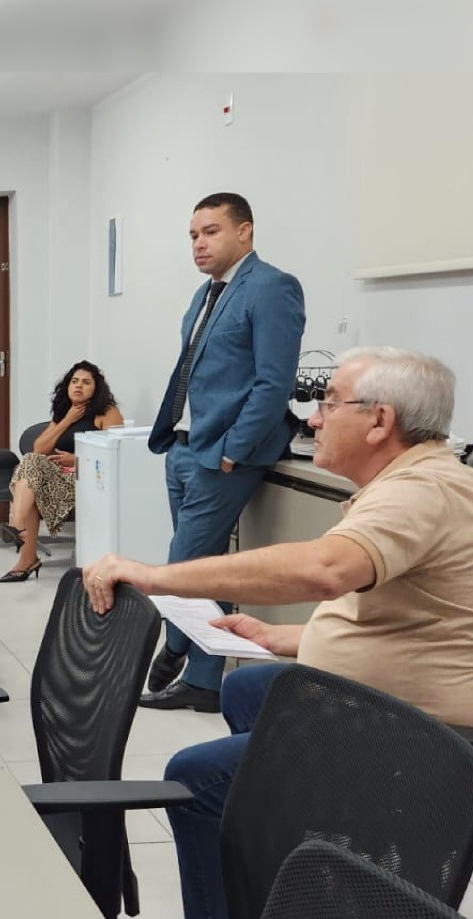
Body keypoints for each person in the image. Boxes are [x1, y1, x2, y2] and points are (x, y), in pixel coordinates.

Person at [82, 347, 473, 919]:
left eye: (328, 404)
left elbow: (325, 570)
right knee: (248, 691)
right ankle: (304, 866)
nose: (312, 418)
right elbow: (417, 620)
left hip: (435, 742)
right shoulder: (422, 479)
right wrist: (290, 638)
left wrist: (156, 576)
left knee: (199, 779)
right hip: (407, 707)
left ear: (380, 421)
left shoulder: (420, 492)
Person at [142, 192, 305, 713]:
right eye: (193, 235)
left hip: (223, 455)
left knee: (184, 566)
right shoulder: (205, 294)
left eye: (211, 231)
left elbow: (273, 383)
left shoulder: (272, 287)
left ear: (244, 231)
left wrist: (235, 448)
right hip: (184, 447)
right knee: (208, 567)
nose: (199, 243)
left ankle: (175, 647)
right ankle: (206, 680)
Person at [1, 360, 123, 582]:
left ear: (96, 388)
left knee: (30, 480)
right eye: (74, 381)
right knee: (31, 463)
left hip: (87, 481)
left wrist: (76, 460)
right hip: (57, 478)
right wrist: (67, 420)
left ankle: (20, 538)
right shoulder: (65, 412)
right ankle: (23, 542)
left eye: (86, 382)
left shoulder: (107, 413)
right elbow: (39, 448)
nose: (79, 386)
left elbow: (115, 456)